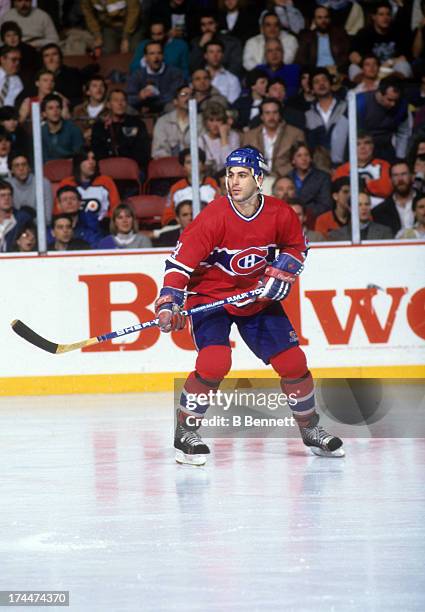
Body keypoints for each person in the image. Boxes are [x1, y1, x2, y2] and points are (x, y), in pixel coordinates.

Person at [154, 146, 344, 465]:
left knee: (293, 362)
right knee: (215, 362)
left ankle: (310, 429)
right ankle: (185, 433)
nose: (234, 182)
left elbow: (298, 246)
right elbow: (179, 266)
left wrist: (281, 270)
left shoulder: (280, 213)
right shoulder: (213, 217)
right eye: (230, 175)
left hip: (256, 297)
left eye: (242, 175)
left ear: (258, 178)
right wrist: (170, 301)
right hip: (210, 297)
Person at [241, 97, 305, 177]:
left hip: (287, 179)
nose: (271, 117)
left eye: (275, 112)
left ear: (280, 115)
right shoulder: (249, 136)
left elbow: (300, 160)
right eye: (267, 113)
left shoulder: (295, 134)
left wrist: (278, 174)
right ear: (261, 116)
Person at [349, 1, 412, 81]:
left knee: (404, 66)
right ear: (374, 17)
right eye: (381, 14)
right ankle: (366, 89)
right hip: (370, 70)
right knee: (353, 67)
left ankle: (395, 89)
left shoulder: (398, 31)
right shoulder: (364, 33)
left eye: (388, 14)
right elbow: (353, 55)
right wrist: (371, 66)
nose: (385, 18)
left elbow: (404, 57)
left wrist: (389, 63)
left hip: (391, 70)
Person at [91, 89, 150, 172]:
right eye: (116, 100)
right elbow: (97, 152)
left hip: (132, 169)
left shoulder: (137, 124)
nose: (120, 103)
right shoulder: (99, 126)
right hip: (106, 169)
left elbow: (143, 152)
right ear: (108, 104)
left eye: (123, 100)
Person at [54, 150, 120, 221]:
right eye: (86, 159)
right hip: (71, 229)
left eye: (93, 158)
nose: (91, 162)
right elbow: (57, 211)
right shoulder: (66, 183)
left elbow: (116, 210)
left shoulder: (106, 182)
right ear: (78, 163)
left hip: (102, 227)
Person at [356, 77, 410, 162]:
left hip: (385, 149)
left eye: (396, 100)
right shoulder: (359, 102)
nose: (393, 104)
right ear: (380, 93)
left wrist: (400, 157)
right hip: (359, 150)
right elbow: (343, 132)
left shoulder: (401, 105)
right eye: (389, 100)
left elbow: (403, 133)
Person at [161, 147, 220, 226]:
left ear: (203, 165)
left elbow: (221, 210)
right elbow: (167, 217)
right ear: (183, 167)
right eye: (189, 162)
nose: (193, 165)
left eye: (196, 161)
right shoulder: (176, 188)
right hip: (182, 230)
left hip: (211, 227)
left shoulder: (214, 184)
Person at [333, 132, 392, 207]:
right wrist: (373, 184)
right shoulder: (342, 170)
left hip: (380, 211)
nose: (362, 147)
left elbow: (386, 190)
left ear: (372, 146)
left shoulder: (384, 165)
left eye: (367, 143)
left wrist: (367, 183)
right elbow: (340, 196)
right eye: (357, 144)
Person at [305, 67, 348, 167]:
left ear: (330, 83)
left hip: (345, 166)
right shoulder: (308, 115)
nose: (321, 84)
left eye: (324, 80)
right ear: (312, 89)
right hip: (319, 168)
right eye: (316, 82)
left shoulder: (345, 107)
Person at [126, 41, 185, 114]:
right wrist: (140, 97)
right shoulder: (137, 74)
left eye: (159, 53)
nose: (156, 57)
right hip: (141, 107)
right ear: (145, 57)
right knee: (126, 109)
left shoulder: (175, 73)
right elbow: (128, 97)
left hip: (165, 106)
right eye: (152, 53)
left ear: (163, 55)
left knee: (172, 107)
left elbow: (174, 95)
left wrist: (152, 103)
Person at [295, 5, 350, 74]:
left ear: (330, 19)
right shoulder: (307, 37)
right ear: (314, 20)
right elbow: (300, 60)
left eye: (326, 17)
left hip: (336, 71)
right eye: (319, 18)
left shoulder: (339, 34)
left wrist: (337, 68)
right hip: (315, 72)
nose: (323, 21)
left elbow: (346, 55)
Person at [189, 10, 242, 77]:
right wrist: (200, 47)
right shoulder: (195, 42)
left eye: (210, 23)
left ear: (216, 24)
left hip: (226, 80)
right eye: (203, 25)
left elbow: (235, 67)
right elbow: (193, 68)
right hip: (203, 81)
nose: (207, 28)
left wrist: (220, 79)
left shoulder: (231, 42)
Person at [152, 86, 198, 158]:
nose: (189, 98)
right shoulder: (163, 121)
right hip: (170, 165)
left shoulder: (201, 121)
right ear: (175, 101)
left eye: (191, 95)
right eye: (184, 95)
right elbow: (158, 151)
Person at [372, 160, 416, 235]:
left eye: (404, 174)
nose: (400, 179)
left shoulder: (422, 200)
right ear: (390, 179)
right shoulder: (379, 211)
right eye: (395, 175)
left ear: (412, 176)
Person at [288, 141, 331, 218]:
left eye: (306, 155)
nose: (304, 159)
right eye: (299, 156)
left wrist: (303, 213)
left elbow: (325, 205)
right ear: (293, 160)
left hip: (313, 218)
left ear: (311, 158)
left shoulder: (322, 178)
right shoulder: (287, 178)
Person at [328, 190, 393, 241]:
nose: (364, 208)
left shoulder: (385, 232)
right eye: (359, 205)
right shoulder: (336, 235)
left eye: (367, 204)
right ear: (350, 209)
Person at [8, 153, 53, 223]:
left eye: (24, 164)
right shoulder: (6, 185)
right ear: (11, 170)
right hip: (13, 230)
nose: (21, 168)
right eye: (17, 166)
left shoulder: (43, 183)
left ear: (29, 167)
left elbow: (47, 218)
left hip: (38, 228)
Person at [199, 101, 240, 174]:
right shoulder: (201, 140)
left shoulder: (233, 136)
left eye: (218, 120)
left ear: (223, 121)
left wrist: (224, 138)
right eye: (211, 120)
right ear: (206, 122)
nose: (215, 124)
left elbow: (230, 164)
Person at [41, 94, 84, 161]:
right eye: (50, 108)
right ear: (44, 113)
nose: (55, 111)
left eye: (58, 107)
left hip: (69, 167)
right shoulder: (41, 132)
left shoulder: (74, 130)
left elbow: (79, 156)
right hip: (48, 168)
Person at [40, 43, 84, 108]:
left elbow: (78, 99)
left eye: (54, 54)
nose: (51, 59)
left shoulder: (72, 73)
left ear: (60, 57)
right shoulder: (38, 75)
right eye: (46, 56)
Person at [0, 21, 40, 87]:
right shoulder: (0, 52)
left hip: (26, 82)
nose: (12, 38)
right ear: (4, 39)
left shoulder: (30, 51)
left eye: (15, 34)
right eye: (8, 35)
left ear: (19, 36)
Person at [0, 178, 34, 251]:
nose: (7, 198)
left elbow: (30, 242)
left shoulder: (23, 219)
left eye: (9, 195)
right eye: (2, 195)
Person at [72, 75, 108, 146]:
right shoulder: (78, 110)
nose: (99, 89)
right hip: (82, 147)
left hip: (103, 147)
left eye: (101, 86)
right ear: (88, 91)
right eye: (95, 86)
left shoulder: (110, 109)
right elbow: (73, 131)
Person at [203, 39, 241, 105]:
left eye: (218, 52)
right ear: (205, 56)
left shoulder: (232, 79)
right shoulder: (197, 77)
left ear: (222, 55)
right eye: (211, 52)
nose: (215, 55)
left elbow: (233, 105)